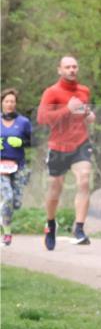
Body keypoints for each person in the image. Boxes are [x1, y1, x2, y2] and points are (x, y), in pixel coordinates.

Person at [37, 55, 96, 250]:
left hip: (80, 142)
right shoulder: (52, 92)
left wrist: (88, 114)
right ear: (59, 70)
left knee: (85, 179)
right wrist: (67, 110)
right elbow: (42, 118)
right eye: (68, 67)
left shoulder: (84, 90)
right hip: (58, 147)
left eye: (74, 67)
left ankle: (79, 229)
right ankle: (51, 223)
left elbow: (85, 114)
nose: (72, 70)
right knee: (55, 189)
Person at [1, 89, 33, 246]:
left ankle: (3, 212)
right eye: (7, 101)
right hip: (0, 167)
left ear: (16, 103)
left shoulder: (23, 122)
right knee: (7, 197)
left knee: (16, 203)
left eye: (12, 101)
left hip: (18, 166)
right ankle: (7, 233)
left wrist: (21, 142)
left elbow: (33, 141)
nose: (9, 104)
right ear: (2, 103)